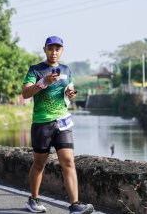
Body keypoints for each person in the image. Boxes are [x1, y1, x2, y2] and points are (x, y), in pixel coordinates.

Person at [22, 36, 94, 214]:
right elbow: (25, 93)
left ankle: (75, 204)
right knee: (39, 164)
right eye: (50, 49)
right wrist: (44, 82)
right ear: (45, 49)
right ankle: (34, 199)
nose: (54, 52)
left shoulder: (66, 70)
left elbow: (68, 90)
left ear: (62, 50)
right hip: (42, 123)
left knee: (68, 161)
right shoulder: (36, 70)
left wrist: (70, 93)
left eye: (57, 49)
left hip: (62, 122)